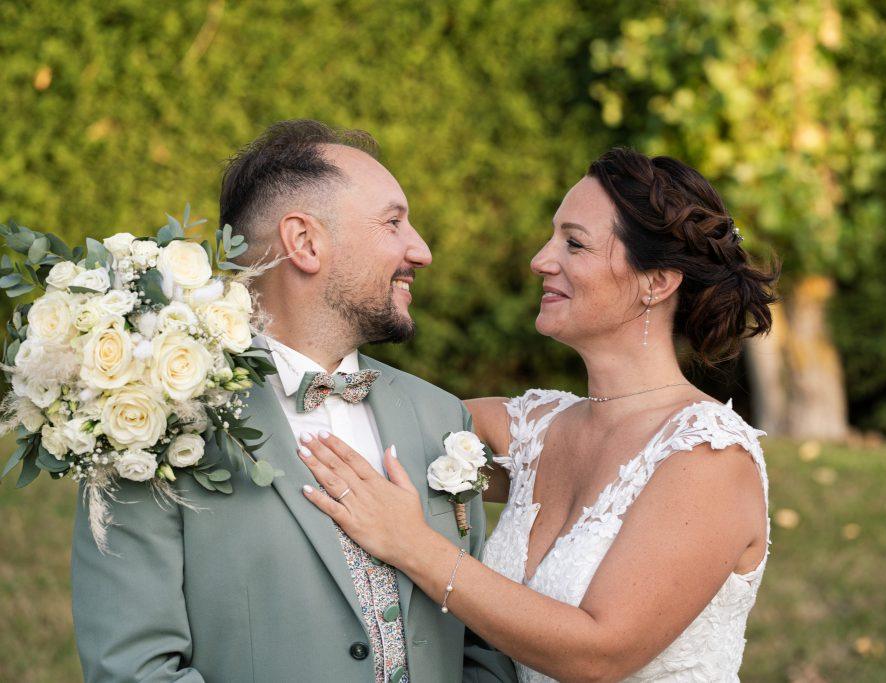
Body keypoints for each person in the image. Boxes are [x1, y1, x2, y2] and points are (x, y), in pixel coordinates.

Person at [298, 147, 779, 681]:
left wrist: (413, 547)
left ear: (657, 282)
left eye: (574, 243)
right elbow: (349, 419)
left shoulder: (709, 455)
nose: (541, 260)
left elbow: (600, 653)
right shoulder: (529, 429)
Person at [71, 120, 516, 683]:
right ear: (304, 242)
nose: (421, 250)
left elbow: (483, 649)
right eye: (393, 223)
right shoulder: (152, 422)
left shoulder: (441, 417)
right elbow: (135, 669)